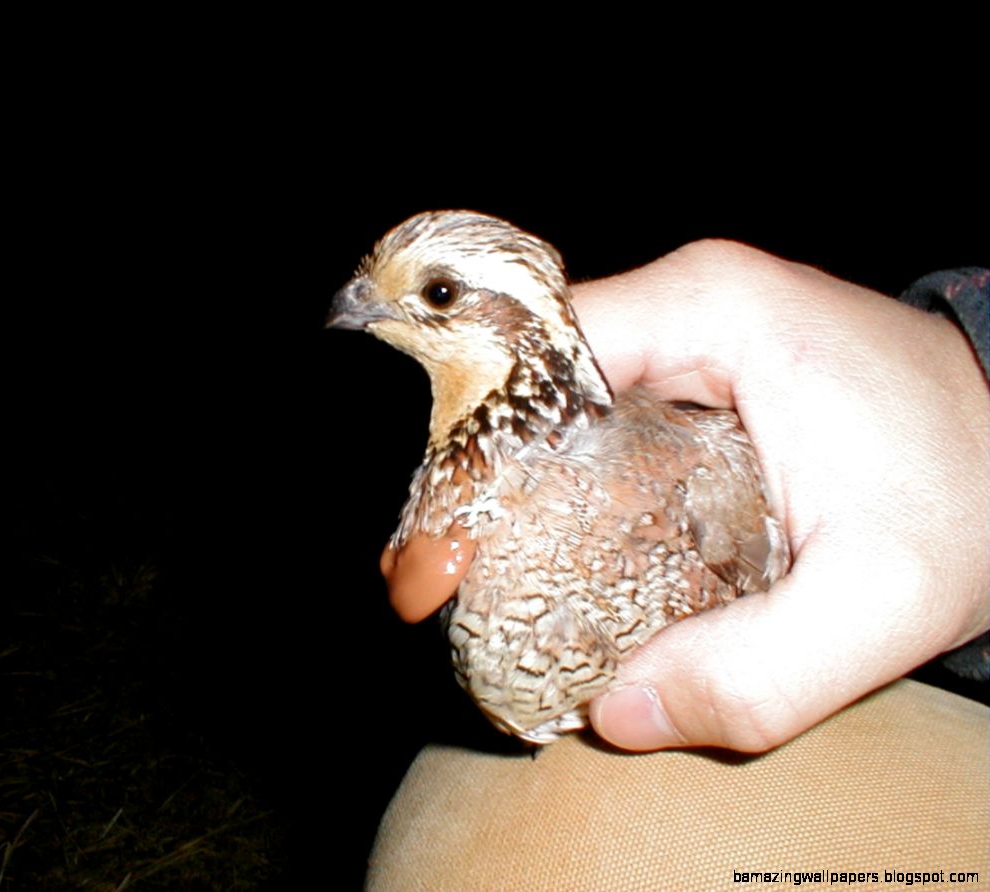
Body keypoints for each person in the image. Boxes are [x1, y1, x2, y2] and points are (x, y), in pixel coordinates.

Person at [367, 243, 989, 890]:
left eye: (439, 295)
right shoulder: (461, 476)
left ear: (516, 323)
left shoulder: (683, 466)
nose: (363, 303)